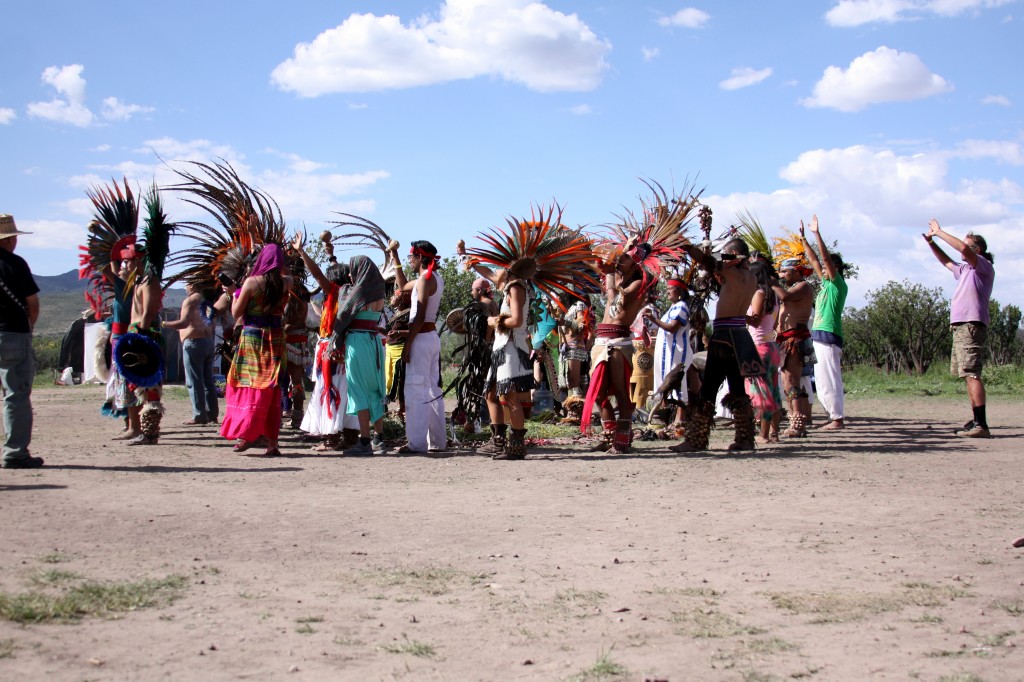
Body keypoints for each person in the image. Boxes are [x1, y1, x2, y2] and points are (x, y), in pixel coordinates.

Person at [671, 239, 761, 452]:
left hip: (723, 338)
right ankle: (745, 439)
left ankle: (696, 440)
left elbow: (706, 261)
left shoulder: (732, 273)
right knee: (738, 389)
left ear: (735, 256)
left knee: (709, 388)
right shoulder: (751, 278)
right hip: (740, 336)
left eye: (727, 255)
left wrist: (686, 247)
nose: (724, 259)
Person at [924, 219, 996, 438]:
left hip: (971, 325)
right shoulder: (965, 269)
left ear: (978, 250)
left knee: (972, 374)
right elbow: (946, 261)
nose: (961, 248)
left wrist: (939, 233)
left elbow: (962, 248)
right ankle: (976, 420)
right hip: (960, 326)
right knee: (967, 374)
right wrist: (931, 244)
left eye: (966, 245)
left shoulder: (982, 265)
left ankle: (981, 425)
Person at [221, 243, 293, 456]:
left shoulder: (251, 283)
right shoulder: (286, 283)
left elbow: (236, 314)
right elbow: (286, 275)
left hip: (253, 339)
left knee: (249, 385)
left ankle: (247, 434)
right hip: (276, 338)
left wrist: (234, 293)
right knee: (272, 388)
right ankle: (271, 442)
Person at [291, 237, 360, 450]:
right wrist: (331, 255)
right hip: (343, 348)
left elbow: (319, 275)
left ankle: (331, 437)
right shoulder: (351, 292)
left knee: (329, 390)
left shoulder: (335, 292)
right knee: (345, 390)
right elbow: (334, 273)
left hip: (331, 349)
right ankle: (348, 436)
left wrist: (302, 252)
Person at [582, 240, 650, 454]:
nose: (620, 260)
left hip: (619, 344)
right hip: (601, 342)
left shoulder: (639, 284)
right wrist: (605, 263)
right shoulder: (616, 277)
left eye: (626, 257)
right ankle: (610, 436)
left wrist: (611, 271)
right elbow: (608, 279)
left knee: (621, 394)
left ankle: (621, 441)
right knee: (599, 395)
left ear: (636, 262)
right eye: (621, 256)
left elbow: (624, 295)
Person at [392, 240, 447, 453]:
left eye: (410, 257)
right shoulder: (433, 278)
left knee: (416, 390)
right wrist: (395, 257)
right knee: (433, 389)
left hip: (422, 339)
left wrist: (407, 344)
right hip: (430, 338)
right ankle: (437, 441)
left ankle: (416, 444)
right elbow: (403, 285)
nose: (409, 261)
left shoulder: (425, 280)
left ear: (420, 257)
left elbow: (420, 316)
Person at [336, 255, 390, 455]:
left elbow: (342, 316)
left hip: (357, 343)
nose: (349, 274)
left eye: (352, 270)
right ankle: (379, 439)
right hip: (374, 342)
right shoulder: (379, 293)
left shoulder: (355, 293)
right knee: (375, 390)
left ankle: (365, 441)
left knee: (358, 391)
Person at [0, 215, 42, 469]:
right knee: (16, 394)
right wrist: (29, 327)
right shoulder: (15, 264)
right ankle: (15, 452)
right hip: (13, 333)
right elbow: (32, 304)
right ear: (12, 239)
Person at [804, 216, 848, 431]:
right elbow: (814, 261)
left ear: (837, 267)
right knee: (822, 380)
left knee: (829, 379)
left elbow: (824, 260)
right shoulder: (826, 285)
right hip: (821, 335)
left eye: (829, 264)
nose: (823, 266)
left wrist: (816, 234)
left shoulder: (838, 285)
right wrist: (804, 239)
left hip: (828, 335)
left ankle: (837, 418)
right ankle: (833, 415)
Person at [163, 281, 219, 425]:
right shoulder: (207, 301)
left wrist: (163, 324)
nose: (185, 288)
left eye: (187, 284)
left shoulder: (190, 301)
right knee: (208, 381)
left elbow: (183, 323)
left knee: (194, 381)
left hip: (194, 343)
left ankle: (199, 415)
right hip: (207, 342)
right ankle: (212, 413)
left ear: (193, 285)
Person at [773, 255, 815, 437]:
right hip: (786, 339)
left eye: (785, 271)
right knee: (787, 383)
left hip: (795, 339)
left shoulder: (804, 287)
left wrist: (772, 282)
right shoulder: (793, 287)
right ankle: (794, 421)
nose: (782, 275)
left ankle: (798, 423)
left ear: (796, 271)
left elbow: (786, 297)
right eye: (780, 271)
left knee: (792, 382)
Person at [745, 259, 783, 443]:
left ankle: (764, 434)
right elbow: (773, 323)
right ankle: (774, 433)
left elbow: (755, 320)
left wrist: (737, 314)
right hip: (771, 345)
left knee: (762, 392)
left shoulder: (758, 294)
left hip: (758, 347)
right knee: (773, 390)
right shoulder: (774, 296)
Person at [645, 276, 690, 431]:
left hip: (677, 352)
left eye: (671, 288)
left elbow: (672, 327)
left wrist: (652, 319)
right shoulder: (673, 307)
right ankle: (666, 418)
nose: (668, 291)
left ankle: (680, 420)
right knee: (666, 384)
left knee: (678, 384)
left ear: (680, 291)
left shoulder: (682, 306)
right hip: (667, 353)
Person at [629, 288, 659, 411]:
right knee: (635, 378)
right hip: (637, 348)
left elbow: (651, 331)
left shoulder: (649, 309)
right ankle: (635, 404)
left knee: (642, 379)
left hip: (644, 349)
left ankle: (640, 406)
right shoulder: (639, 309)